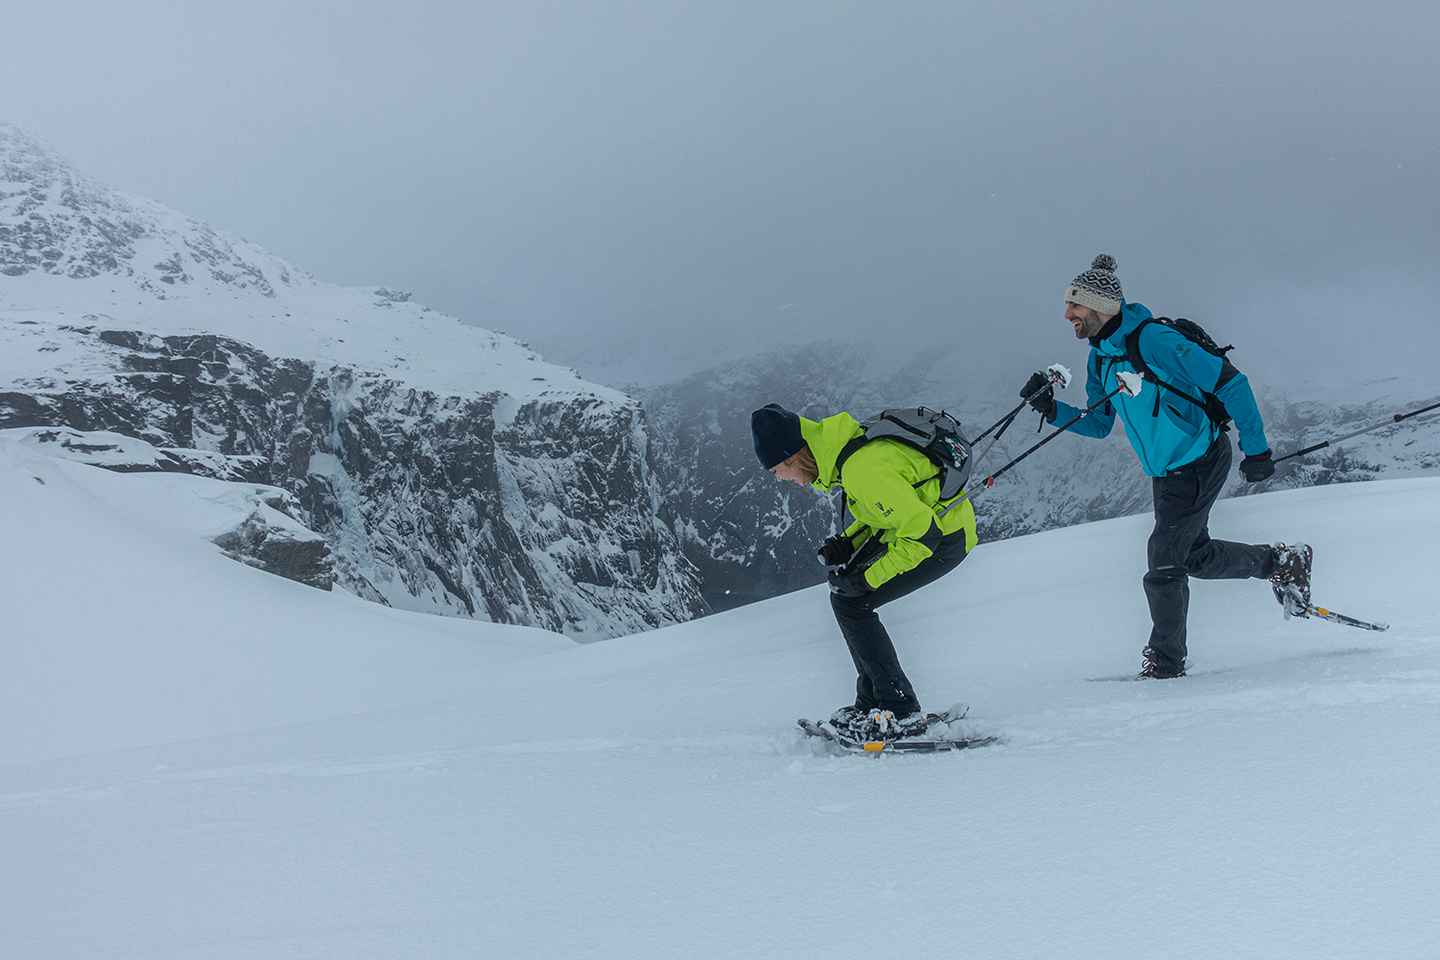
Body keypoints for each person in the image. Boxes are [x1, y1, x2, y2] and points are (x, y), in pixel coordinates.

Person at [1020, 254, 1313, 679]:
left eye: (1075, 305)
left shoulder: (1154, 341)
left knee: (1164, 561)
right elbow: (1099, 424)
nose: (1067, 314)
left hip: (1199, 458)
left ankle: (1166, 663)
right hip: (1166, 471)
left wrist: (1257, 451)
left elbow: (1231, 382)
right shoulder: (1100, 358)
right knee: (1194, 556)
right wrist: (1051, 409)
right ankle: (1280, 562)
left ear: (1101, 307)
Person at [751, 402, 977, 736]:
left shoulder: (861, 470)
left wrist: (869, 578)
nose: (781, 479)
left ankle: (898, 708)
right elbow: (885, 509)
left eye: (776, 471)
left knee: (854, 602)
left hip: (943, 540)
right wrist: (849, 542)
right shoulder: (845, 454)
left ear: (794, 457)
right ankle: (873, 702)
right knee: (846, 597)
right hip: (920, 530)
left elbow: (922, 534)